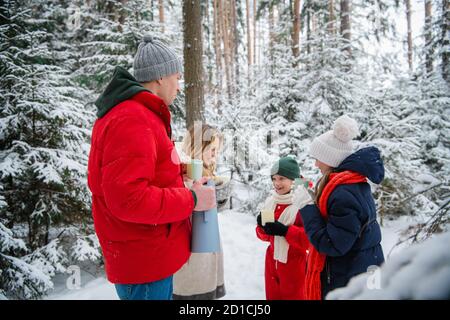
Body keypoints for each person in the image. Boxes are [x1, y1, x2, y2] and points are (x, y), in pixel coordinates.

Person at [87, 35, 216, 300]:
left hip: (148, 258)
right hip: (144, 264)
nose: (179, 87)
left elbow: (137, 174)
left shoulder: (139, 114)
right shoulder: (132, 118)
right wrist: (192, 199)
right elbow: (128, 198)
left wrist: (173, 171)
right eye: (177, 78)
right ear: (160, 77)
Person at [298, 115, 385, 300]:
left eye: (318, 158)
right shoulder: (349, 184)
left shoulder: (343, 193)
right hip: (357, 271)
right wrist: (313, 198)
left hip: (348, 279)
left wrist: (306, 207)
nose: (316, 164)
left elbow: (331, 244)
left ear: (331, 158)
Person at [173, 124, 226, 300]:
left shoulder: (205, 175)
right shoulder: (185, 177)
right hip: (191, 261)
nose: (215, 154)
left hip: (204, 256)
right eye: (211, 149)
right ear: (196, 147)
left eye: (217, 150)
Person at [255, 157, 312, 300]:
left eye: (281, 178)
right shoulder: (272, 201)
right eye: (274, 179)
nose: (276, 183)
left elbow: (309, 241)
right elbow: (265, 237)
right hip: (272, 263)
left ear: (293, 180)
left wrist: (285, 231)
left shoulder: (304, 203)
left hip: (294, 267)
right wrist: (262, 228)